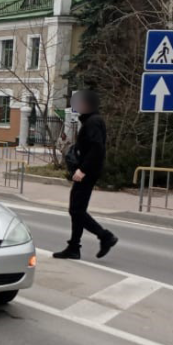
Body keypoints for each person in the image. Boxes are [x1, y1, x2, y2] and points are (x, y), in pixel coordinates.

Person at [54, 89, 119, 260]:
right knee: (77, 210)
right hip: (87, 171)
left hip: (87, 172)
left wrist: (83, 170)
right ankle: (74, 247)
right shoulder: (91, 120)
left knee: (76, 210)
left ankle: (105, 236)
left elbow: (97, 148)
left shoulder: (93, 122)